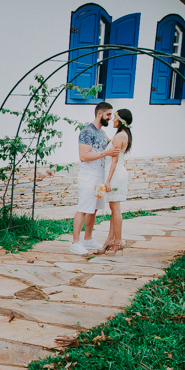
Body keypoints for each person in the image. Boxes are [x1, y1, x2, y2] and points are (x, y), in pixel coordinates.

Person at [69, 102, 120, 255]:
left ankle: (88, 238)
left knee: (93, 209)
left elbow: (113, 144)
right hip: (88, 176)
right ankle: (75, 242)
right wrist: (106, 153)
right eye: (108, 115)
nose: (110, 118)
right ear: (100, 114)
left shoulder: (102, 133)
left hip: (99, 176)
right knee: (83, 208)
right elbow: (84, 156)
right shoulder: (87, 131)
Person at [101, 108, 133, 254]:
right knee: (114, 210)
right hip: (117, 173)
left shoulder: (120, 136)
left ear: (120, 120)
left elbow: (114, 161)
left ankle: (118, 241)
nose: (112, 120)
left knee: (116, 210)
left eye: (114, 118)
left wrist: (107, 181)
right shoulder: (122, 135)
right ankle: (110, 239)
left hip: (115, 175)